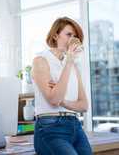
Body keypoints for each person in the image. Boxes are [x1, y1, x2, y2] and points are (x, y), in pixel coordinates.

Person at [32, 16, 93, 155]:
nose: (73, 40)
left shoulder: (74, 67)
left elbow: (83, 105)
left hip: (75, 126)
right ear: (55, 35)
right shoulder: (41, 60)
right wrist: (69, 61)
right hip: (50, 127)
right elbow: (53, 100)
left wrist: (63, 101)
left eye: (76, 36)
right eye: (69, 34)